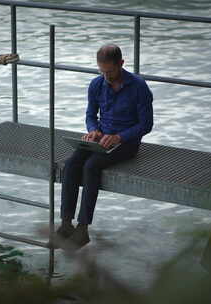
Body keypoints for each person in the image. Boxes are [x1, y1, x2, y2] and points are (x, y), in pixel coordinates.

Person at [55, 44, 154, 250]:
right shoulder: (96, 84)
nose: (106, 75)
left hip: (127, 143)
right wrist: (93, 130)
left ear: (121, 64)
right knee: (72, 163)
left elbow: (146, 125)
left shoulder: (139, 86)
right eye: (102, 70)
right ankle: (66, 224)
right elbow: (91, 115)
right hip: (100, 139)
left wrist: (119, 137)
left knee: (92, 166)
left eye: (110, 71)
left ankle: (83, 229)